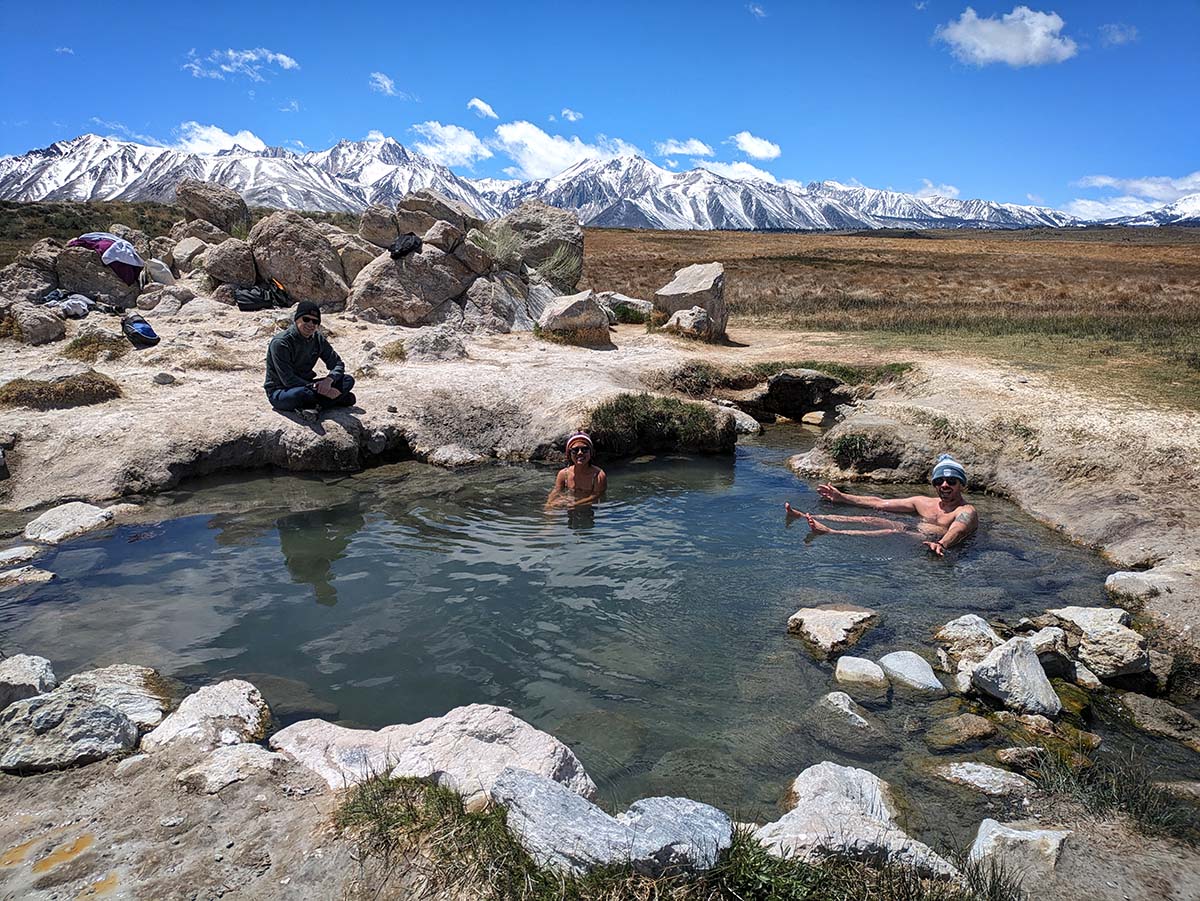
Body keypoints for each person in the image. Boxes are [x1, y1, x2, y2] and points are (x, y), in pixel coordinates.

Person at [785, 454, 977, 555]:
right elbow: (880, 503)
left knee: (892, 532)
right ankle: (804, 516)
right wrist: (843, 497)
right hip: (917, 530)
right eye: (939, 481)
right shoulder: (923, 502)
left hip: (933, 540)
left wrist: (941, 544)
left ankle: (830, 532)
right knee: (871, 518)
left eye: (951, 482)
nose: (944, 485)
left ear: (961, 484)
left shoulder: (967, 510)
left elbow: (958, 530)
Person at [264, 302, 357, 413]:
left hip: (308, 385)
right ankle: (333, 400)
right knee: (301, 394)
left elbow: (337, 364)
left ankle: (316, 405)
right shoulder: (281, 343)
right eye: (306, 319)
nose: (310, 324)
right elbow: (288, 380)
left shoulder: (317, 339)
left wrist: (328, 381)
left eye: (315, 321)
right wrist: (318, 388)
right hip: (282, 391)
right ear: (297, 319)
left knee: (347, 380)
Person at [546, 433, 607, 510]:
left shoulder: (598, 476)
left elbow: (597, 496)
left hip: (589, 508)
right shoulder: (563, 474)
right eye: (575, 450)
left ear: (591, 452)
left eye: (584, 449)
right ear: (569, 454)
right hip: (570, 506)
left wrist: (575, 504)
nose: (580, 453)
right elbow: (556, 491)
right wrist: (549, 505)